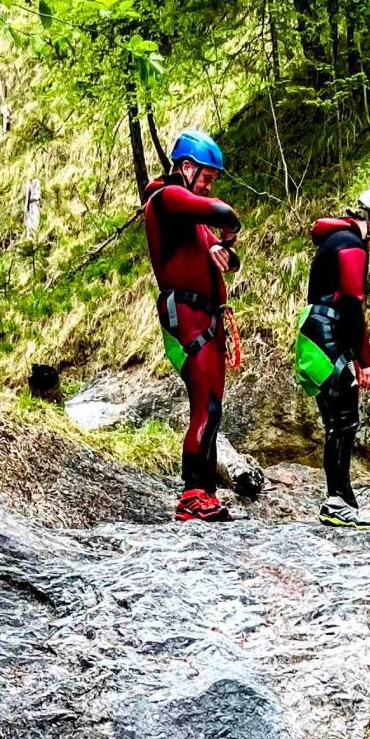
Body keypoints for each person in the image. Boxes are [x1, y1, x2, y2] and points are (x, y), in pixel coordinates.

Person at [143, 129, 241, 523]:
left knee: (212, 407)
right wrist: (230, 224)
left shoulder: (192, 220)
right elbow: (220, 212)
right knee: (204, 404)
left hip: (207, 316)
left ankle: (206, 493)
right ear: (186, 167)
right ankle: (192, 493)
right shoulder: (167, 198)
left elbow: (224, 260)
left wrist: (227, 249)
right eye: (206, 177)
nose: (208, 185)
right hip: (186, 316)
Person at [300, 187, 370, 530]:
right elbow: (351, 306)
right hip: (328, 339)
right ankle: (337, 502)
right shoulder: (352, 246)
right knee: (344, 422)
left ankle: (343, 498)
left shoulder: (337, 241)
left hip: (314, 338)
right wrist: (366, 361)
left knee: (337, 423)